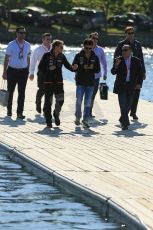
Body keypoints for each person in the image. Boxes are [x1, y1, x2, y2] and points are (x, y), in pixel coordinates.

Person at [38, 40, 77, 128]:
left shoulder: (62, 56)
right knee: (48, 102)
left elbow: (68, 66)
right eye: (61, 47)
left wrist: (74, 68)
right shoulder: (47, 55)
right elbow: (40, 67)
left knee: (61, 100)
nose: (62, 49)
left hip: (59, 82)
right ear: (55, 47)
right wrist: (48, 68)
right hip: (48, 82)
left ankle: (56, 113)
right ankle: (48, 121)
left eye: (62, 47)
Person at [114, 26, 146, 120]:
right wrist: (116, 68)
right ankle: (124, 114)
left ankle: (133, 112)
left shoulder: (137, 44)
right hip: (125, 71)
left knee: (136, 90)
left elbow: (141, 58)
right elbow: (116, 57)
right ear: (125, 34)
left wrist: (143, 71)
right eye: (129, 33)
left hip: (137, 71)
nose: (131, 35)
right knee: (126, 93)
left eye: (132, 33)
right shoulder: (122, 44)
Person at [111, 45, 143, 130]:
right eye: (123, 50)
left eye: (126, 50)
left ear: (130, 51)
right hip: (121, 86)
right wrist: (116, 65)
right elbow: (113, 72)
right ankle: (124, 124)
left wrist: (139, 83)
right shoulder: (118, 60)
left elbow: (140, 74)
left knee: (128, 105)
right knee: (123, 105)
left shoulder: (136, 61)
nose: (124, 52)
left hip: (131, 86)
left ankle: (122, 118)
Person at [2, 26, 31, 119]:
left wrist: (29, 70)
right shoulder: (11, 44)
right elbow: (6, 58)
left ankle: (19, 113)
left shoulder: (28, 45)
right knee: (10, 92)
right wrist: (4, 72)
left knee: (22, 93)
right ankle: (9, 110)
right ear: (17, 33)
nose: (23, 35)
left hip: (23, 72)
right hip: (12, 71)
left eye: (24, 33)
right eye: (21, 33)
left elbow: (28, 57)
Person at [73, 38, 100, 128]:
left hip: (90, 83)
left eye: (90, 48)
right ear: (84, 47)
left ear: (92, 47)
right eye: (86, 48)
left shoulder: (95, 57)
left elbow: (98, 70)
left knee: (88, 102)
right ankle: (77, 117)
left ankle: (86, 119)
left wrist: (92, 67)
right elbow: (74, 66)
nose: (88, 50)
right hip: (80, 82)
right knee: (79, 100)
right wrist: (81, 66)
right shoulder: (78, 55)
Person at [29, 33, 52, 114]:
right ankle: (38, 102)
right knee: (42, 89)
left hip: (52, 73)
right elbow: (33, 62)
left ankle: (46, 108)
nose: (49, 41)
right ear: (43, 40)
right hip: (42, 72)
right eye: (47, 39)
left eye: (50, 39)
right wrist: (31, 73)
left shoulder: (54, 48)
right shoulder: (38, 50)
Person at [89, 32, 107, 118]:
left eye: (96, 38)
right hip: (86, 76)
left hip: (96, 76)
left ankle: (89, 112)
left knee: (93, 94)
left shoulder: (100, 50)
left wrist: (105, 73)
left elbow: (104, 63)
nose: (95, 40)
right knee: (87, 94)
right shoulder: (85, 48)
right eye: (93, 38)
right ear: (90, 38)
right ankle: (86, 111)